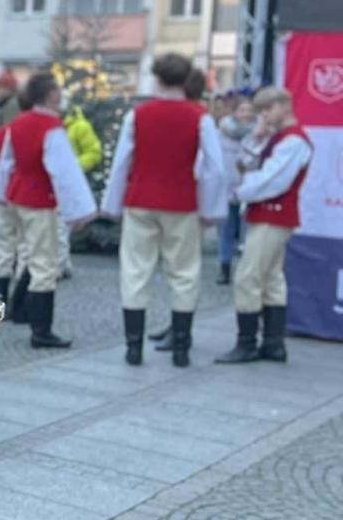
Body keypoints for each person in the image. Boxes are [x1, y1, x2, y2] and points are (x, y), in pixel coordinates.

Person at [99, 53, 226, 367]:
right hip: (181, 202)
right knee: (184, 273)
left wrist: (112, 205)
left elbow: (121, 164)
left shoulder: (138, 115)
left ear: (157, 77)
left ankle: (133, 348)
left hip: (140, 199)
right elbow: (215, 170)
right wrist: (211, 209)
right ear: (186, 80)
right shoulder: (200, 117)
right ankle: (181, 349)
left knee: (135, 271)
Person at [0, 72, 97, 348]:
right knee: (44, 262)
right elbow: (64, 172)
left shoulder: (18, 123)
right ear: (50, 94)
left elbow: (4, 164)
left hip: (16, 194)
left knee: (20, 253)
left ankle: (17, 307)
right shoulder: (50, 126)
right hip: (38, 198)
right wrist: (80, 211)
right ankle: (40, 329)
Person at [216, 86, 312, 365]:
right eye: (261, 111)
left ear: (284, 105)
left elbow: (272, 181)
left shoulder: (294, 141)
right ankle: (273, 344)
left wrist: (239, 192)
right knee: (271, 279)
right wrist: (256, 139)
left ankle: (247, 343)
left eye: (268, 110)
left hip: (274, 213)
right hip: (269, 213)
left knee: (248, 277)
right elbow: (245, 163)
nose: (264, 116)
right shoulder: (278, 137)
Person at [56, 100, 104, 277]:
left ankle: (60, 266)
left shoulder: (80, 126)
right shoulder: (54, 126)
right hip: (54, 182)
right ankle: (63, 263)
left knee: (61, 226)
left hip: (69, 182)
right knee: (59, 227)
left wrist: (73, 167)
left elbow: (94, 152)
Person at [216, 95, 257, 285]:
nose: (246, 114)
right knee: (225, 229)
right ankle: (224, 267)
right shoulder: (222, 132)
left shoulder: (260, 133)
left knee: (247, 231)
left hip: (251, 187)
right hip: (226, 185)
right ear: (234, 113)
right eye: (242, 110)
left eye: (249, 110)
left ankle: (246, 270)